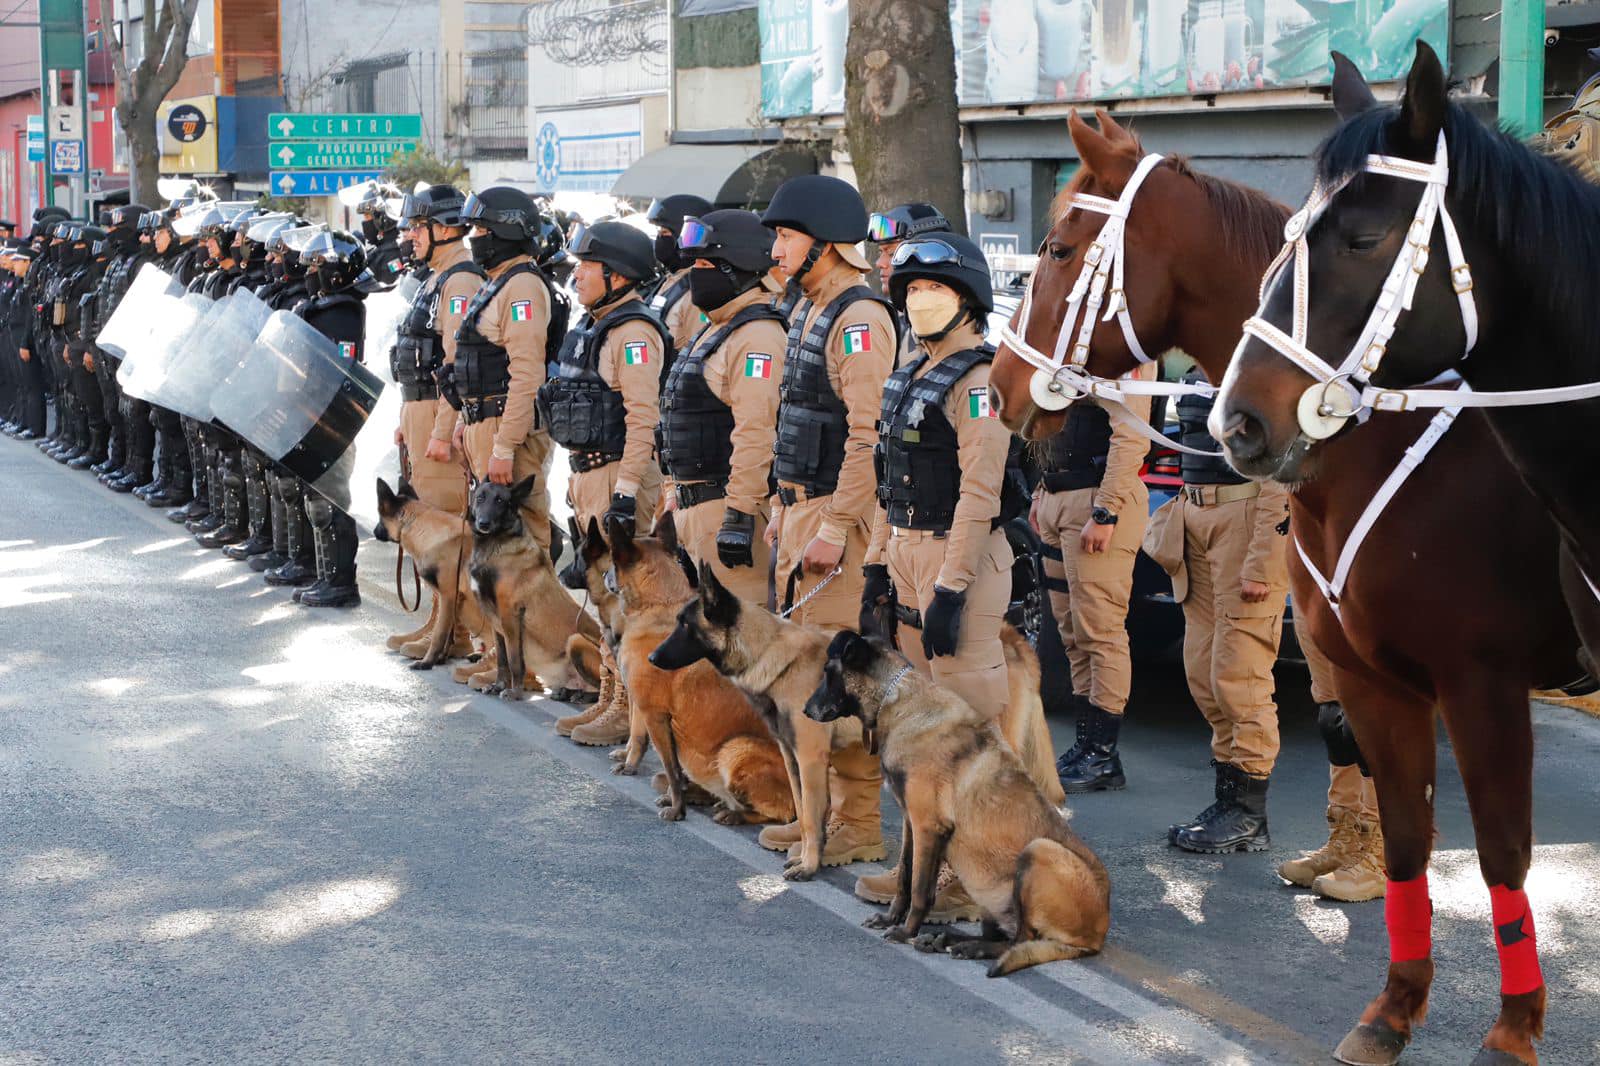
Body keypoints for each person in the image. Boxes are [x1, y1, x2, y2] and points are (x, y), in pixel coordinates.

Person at [854, 233, 1024, 917]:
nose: (919, 301)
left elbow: (980, 494)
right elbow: (885, 486)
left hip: (965, 558)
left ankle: (985, 872)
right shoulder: (909, 372)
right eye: (912, 290)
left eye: (935, 290)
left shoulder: (979, 382)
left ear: (969, 300)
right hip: (906, 551)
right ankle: (922, 867)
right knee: (924, 736)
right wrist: (874, 569)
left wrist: (951, 588)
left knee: (971, 732)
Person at [760, 174, 897, 870]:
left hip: (836, 514)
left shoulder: (859, 318)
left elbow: (867, 437)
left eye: (786, 236)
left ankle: (860, 825)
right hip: (802, 506)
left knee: (839, 673)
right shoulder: (811, 309)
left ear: (823, 242)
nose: (776, 249)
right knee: (806, 672)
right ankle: (821, 817)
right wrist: (782, 509)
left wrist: (837, 527)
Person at [536, 219, 667, 746]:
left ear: (617, 274)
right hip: (591, 472)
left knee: (627, 604)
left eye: (587, 266)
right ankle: (612, 699)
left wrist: (626, 492)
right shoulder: (595, 326)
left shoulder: (633, 333)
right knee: (605, 601)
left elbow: (643, 420)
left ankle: (631, 712)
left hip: (619, 471)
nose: (577, 275)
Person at [1161, 374, 1291, 854]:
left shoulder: (1261, 357)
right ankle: (1228, 801)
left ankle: (1249, 815)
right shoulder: (1201, 358)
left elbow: (1283, 472)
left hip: (1244, 518)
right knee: (1204, 673)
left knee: (1241, 675)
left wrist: (1263, 561)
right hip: (1194, 517)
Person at [1033, 364, 1156, 793]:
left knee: (1099, 631)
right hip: (1055, 497)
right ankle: (1087, 744)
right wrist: (1040, 493)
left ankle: (1103, 755)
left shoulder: (1128, 355)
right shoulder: (1065, 348)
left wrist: (1106, 511)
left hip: (1096, 505)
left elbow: (1131, 435)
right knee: (1071, 631)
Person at [658, 209, 786, 605]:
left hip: (725, 510)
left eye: (704, 264)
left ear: (737, 267)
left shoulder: (757, 335)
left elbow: (756, 431)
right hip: (692, 508)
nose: (695, 274)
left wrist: (740, 515)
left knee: (738, 643)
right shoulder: (715, 328)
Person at [385, 184, 483, 656]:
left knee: (446, 532)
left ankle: (460, 632)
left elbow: (455, 366)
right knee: (430, 530)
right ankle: (441, 624)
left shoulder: (460, 281)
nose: (410, 236)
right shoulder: (437, 278)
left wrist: (442, 431)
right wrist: (410, 418)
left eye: (417, 227)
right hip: (420, 409)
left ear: (443, 228)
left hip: (438, 415)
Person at [446, 187, 562, 551]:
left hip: (507, 427)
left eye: (481, 230)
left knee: (523, 548)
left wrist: (505, 446)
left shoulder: (523, 284)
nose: (474, 238)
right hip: (487, 424)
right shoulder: (499, 282)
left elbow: (527, 375)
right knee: (495, 550)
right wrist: (466, 422)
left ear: (506, 232)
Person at [1277, 630, 1386, 901]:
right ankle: (1346, 846)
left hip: (1364, 595)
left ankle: (1383, 859)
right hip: (1321, 593)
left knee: (1369, 714)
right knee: (1333, 717)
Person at [292, 229, 368, 608]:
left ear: (335, 271)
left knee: (330, 499)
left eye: (317, 265)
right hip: (312, 410)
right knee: (315, 496)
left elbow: (337, 368)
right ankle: (326, 576)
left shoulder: (342, 311)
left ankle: (340, 582)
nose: (309, 272)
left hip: (332, 414)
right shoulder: (319, 307)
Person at [93, 204, 153, 491]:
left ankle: (139, 469)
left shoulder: (141, 264)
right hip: (111, 347)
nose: (114, 236)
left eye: (120, 230)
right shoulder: (117, 262)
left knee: (134, 412)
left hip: (132, 349)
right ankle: (123, 462)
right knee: (118, 409)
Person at [644, 194, 713, 351]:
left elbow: (695, 354)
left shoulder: (698, 289)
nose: (659, 239)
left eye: (665, 233)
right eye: (659, 233)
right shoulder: (669, 279)